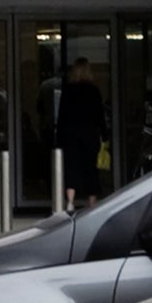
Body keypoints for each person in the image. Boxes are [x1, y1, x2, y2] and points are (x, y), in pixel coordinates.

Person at [53, 59, 110, 208]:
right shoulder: (94, 91)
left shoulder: (68, 90)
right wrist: (105, 134)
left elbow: (62, 116)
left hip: (70, 135)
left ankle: (70, 201)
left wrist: (58, 137)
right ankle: (92, 202)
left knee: (71, 168)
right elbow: (100, 115)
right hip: (89, 134)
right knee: (91, 168)